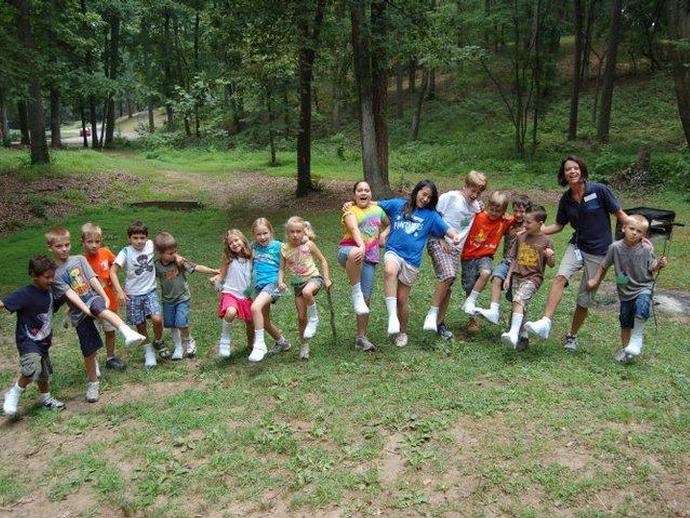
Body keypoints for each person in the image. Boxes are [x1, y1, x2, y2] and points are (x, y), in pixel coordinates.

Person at [524, 156, 631, 351]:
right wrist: (534, 230)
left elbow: (621, 215)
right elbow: (559, 225)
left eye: (575, 168)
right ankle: (545, 323)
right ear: (563, 174)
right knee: (560, 277)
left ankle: (572, 336)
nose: (572, 172)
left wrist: (639, 234)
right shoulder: (566, 199)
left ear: (581, 170)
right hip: (577, 246)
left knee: (584, 299)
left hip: (599, 252)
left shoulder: (599, 191)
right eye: (567, 169)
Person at [47, 227, 146, 402]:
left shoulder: (79, 259)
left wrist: (103, 296)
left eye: (67, 245)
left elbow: (92, 279)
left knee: (102, 309)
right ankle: (93, 383)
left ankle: (127, 332)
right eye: (59, 246)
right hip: (79, 312)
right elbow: (70, 294)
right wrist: (85, 311)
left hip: (92, 298)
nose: (64, 249)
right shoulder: (54, 273)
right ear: (51, 248)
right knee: (88, 350)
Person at [376, 180, 463, 348]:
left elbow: (446, 229)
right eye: (423, 194)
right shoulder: (398, 205)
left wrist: (455, 236)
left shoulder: (431, 216)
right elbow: (375, 205)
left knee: (402, 299)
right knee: (389, 271)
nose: (425, 199)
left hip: (411, 261)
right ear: (416, 192)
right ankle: (392, 318)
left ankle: (403, 331)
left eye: (429, 197)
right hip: (393, 251)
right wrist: (354, 203)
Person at [586, 214, 667, 361]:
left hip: (644, 285)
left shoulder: (646, 248)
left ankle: (636, 339)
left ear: (644, 235)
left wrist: (659, 264)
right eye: (631, 229)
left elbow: (652, 267)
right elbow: (604, 265)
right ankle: (626, 350)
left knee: (642, 307)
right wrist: (595, 279)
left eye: (639, 231)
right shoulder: (615, 247)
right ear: (624, 228)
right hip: (625, 290)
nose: (634, 233)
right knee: (625, 321)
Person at [423, 171, 486, 340]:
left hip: (455, 249)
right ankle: (431, 314)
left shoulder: (476, 206)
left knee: (448, 285)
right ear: (465, 185)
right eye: (472, 190)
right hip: (438, 241)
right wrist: (441, 236)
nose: (475, 195)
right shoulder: (450, 197)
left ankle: (439, 324)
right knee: (448, 275)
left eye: (479, 192)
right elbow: (433, 216)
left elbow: (482, 216)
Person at [2, 256, 66, 417]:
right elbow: (4, 303)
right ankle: (13, 394)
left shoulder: (51, 293)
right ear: (34, 275)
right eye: (47, 277)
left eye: (53, 276)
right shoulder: (24, 294)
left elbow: (64, 299)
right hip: (28, 341)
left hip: (44, 341)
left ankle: (46, 399)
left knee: (43, 373)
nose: (51, 280)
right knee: (33, 369)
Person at [494, 206, 556, 349]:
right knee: (521, 306)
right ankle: (524, 337)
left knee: (519, 300)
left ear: (540, 224)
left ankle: (513, 333)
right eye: (524, 222)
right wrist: (508, 277)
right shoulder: (520, 237)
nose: (525, 225)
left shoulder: (546, 240)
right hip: (516, 276)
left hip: (533, 278)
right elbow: (514, 259)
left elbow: (552, 265)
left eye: (528, 222)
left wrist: (550, 255)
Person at [337, 181, 388, 351]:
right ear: (354, 195)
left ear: (371, 194)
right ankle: (355, 292)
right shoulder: (349, 210)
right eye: (359, 190)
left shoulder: (378, 211)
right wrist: (361, 246)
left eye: (367, 190)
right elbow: (354, 230)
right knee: (355, 254)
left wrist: (383, 235)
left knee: (366, 300)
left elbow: (391, 223)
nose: (363, 192)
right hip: (348, 250)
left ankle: (361, 337)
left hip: (370, 259)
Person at [153, 231, 219, 361]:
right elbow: (148, 278)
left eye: (175, 251)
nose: (174, 254)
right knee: (171, 324)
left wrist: (213, 270)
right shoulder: (156, 266)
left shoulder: (179, 261)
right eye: (170, 253)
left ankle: (189, 341)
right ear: (160, 253)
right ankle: (178, 346)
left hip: (182, 297)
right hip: (167, 300)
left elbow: (196, 267)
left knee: (181, 322)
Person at [110, 220, 166, 368]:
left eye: (142, 237)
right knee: (140, 324)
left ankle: (159, 340)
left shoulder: (151, 245)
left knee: (157, 318)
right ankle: (148, 351)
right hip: (133, 295)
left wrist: (177, 257)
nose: (139, 241)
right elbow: (113, 272)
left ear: (147, 237)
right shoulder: (125, 252)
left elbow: (167, 248)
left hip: (150, 291)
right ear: (129, 239)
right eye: (135, 238)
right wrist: (119, 291)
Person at [474, 195, 531, 329]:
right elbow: (494, 217)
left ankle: (519, 330)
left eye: (522, 211)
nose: (518, 214)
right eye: (515, 211)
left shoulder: (531, 225)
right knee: (496, 277)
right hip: (507, 261)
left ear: (528, 211)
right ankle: (494, 311)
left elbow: (542, 227)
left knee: (517, 298)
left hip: (522, 265)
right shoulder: (509, 222)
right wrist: (481, 207)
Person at [460, 191, 514, 333]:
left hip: (486, 256)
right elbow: (463, 220)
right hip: (468, 257)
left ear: (503, 211)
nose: (494, 213)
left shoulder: (504, 221)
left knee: (486, 272)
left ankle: (470, 301)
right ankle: (472, 319)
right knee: (470, 286)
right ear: (488, 206)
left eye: (498, 211)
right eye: (492, 209)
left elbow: (520, 220)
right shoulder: (478, 216)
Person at [278, 216, 332, 360]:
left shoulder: (309, 245)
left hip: (313, 278)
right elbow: (281, 269)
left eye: (298, 231)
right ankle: (304, 345)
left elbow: (323, 260)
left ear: (304, 232)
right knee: (301, 317)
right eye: (292, 232)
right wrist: (280, 281)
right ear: (287, 233)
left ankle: (314, 318)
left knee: (308, 292)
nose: (295, 235)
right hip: (297, 285)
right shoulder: (284, 249)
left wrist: (326, 278)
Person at [81, 222, 126, 371]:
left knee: (110, 331)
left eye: (97, 241)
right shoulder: (81, 260)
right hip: (91, 305)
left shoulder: (106, 252)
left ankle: (110, 358)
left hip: (109, 302)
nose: (94, 245)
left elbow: (116, 266)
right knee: (93, 335)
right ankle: (94, 362)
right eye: (89, 242)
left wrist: (116, 287)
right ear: (83, 242)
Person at [249, 218, 291, 362]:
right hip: (258, 287)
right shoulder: (252, 248)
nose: (262, 237)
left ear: (271, 232)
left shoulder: (279, 246)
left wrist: (281, 282)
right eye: (258, 234)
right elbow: (239, 261)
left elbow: (295, 249)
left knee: (255, 308)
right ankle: (282, 342)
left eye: (265, 233)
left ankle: (259, 345)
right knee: (264, 320)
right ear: (254, 235)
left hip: (273, 284)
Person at [211, 229, 254, 359]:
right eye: (231, 243)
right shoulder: (228, 258)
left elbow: (253, 276)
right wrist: (215, 281)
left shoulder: (251, 256)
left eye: (236, 240)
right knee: (230, 312)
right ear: (228, 246)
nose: (234, 244)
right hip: (230, 293)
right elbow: (222, 275)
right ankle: (225, 340)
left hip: (246, 295)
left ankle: (251, 345)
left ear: (243, 240)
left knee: (251, 323)